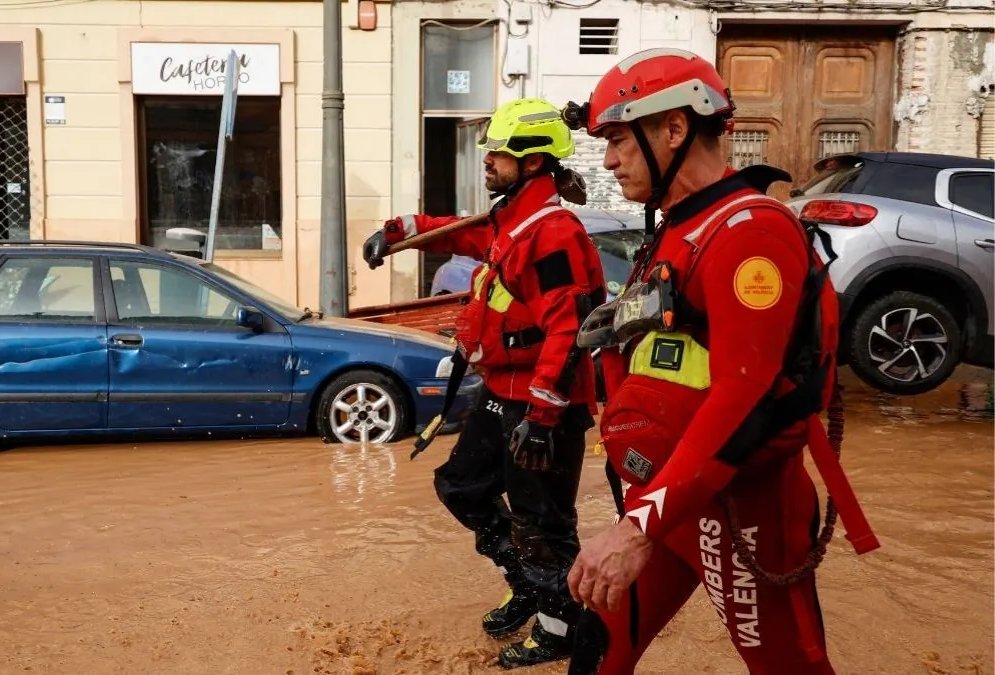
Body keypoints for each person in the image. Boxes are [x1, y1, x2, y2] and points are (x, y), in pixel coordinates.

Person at [557, 48, 880, 674]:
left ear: (674, 129)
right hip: (673, 495)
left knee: (789, 668)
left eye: (619, 139)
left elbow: (744, 397)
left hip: (742, 509)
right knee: (597, 650)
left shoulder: (747, 233)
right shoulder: (677, 226)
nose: (608, 160)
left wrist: (636, 528)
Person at [362, 97, 607, 669]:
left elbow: (567, 330)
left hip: (544, 405)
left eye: (496, 152)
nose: (486, 161)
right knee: (461, 487)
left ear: (532, 160)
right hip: (505, 393)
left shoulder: (553, 234)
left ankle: (560, 628)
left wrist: (544, 419)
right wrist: (398, 230)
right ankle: (527, 583)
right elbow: (458, 232)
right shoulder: (514, 220)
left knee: (541, 521)